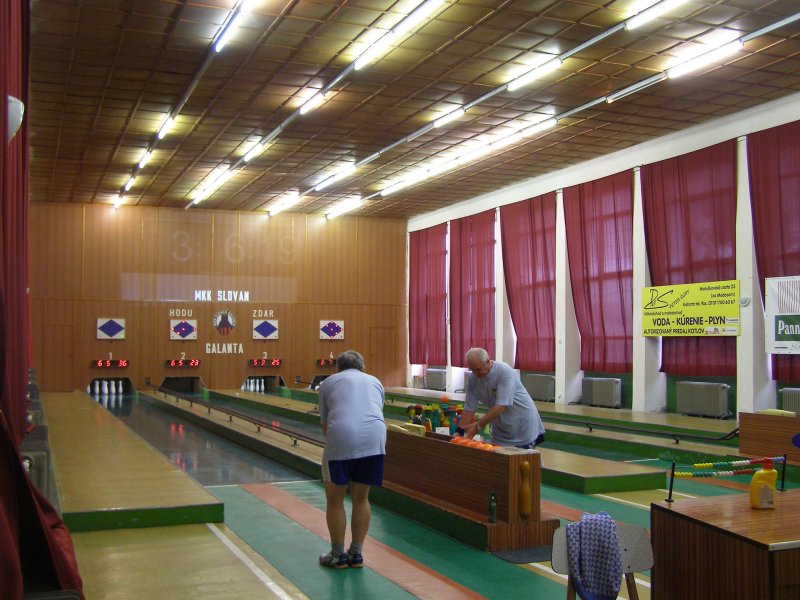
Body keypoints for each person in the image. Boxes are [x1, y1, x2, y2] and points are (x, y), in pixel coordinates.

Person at [317, 350, 386, 569]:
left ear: (338, 368)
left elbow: (325, 424)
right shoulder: (375, 381)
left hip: (342, 436)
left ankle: (338, 555)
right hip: (375, 439)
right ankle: (356, 554)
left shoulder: (328, 382)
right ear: (362, 367)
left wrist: (337, 448)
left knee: (335, 500)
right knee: (362, 498)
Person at [457, 347, 545, 448]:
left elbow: (501, 406)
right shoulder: (473, 380)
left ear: (488, 361)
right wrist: (459, 432)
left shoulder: (504, 372)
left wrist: (478, 425)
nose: (476, 374)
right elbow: (469, 409)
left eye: (479, 369)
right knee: (497, 456)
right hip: (500, 430)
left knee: (521, 457)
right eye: (473, 370)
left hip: (522, 425)